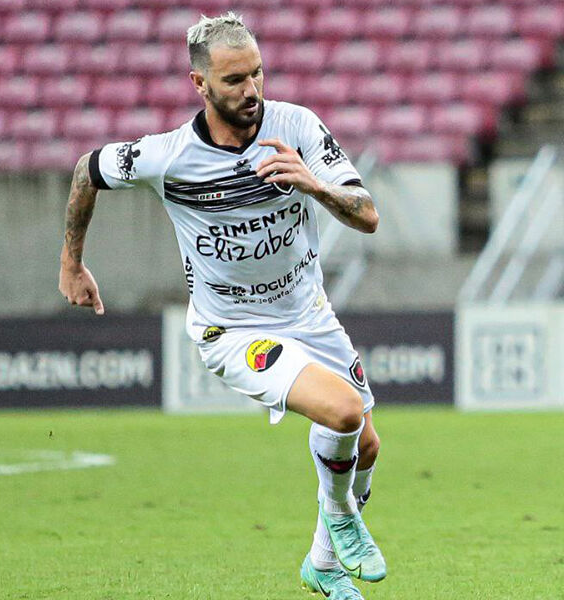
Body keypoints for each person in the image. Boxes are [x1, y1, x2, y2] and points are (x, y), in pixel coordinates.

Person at [58, 13, 383, 600]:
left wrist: (315, 185)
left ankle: (322, 563)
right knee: (341, 412)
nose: (252, 90)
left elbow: (367, 215)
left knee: (366, 445)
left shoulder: (298, 126)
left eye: (257, 73)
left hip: (310, 315)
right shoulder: (168, 156)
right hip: (232, 330)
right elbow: (87, 170)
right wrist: (71, 263)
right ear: (199, 84)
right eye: (234, 80)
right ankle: (340, 518)